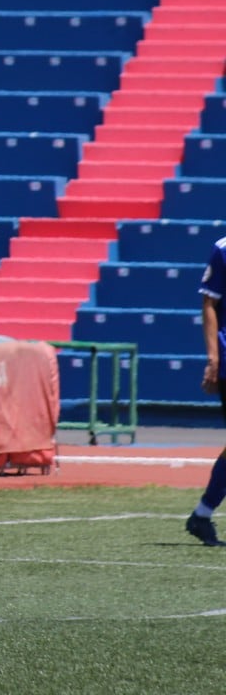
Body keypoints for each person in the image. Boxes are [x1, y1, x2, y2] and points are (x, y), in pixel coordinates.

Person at [186, 232, 226, 547]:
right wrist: (213, 358)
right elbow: (208, 303)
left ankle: (201, 514)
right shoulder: (223, 249)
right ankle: (202, 514)